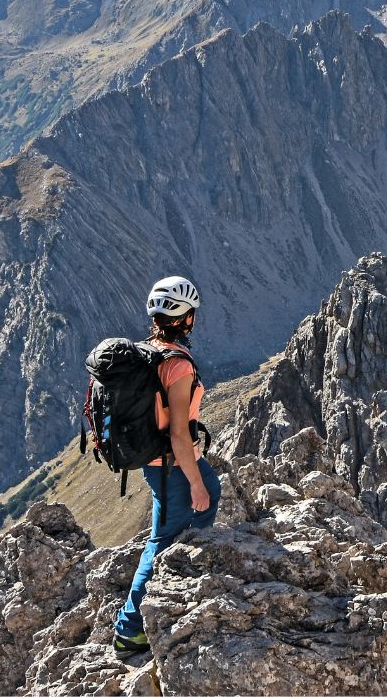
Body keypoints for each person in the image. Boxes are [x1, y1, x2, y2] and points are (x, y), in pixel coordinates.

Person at [112, 275, 222, 656]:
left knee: (166, 529)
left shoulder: (147, 352)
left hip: (154, 461)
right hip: (171, 463)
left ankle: (164, 594)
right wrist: (195, 481)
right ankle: (131, 630)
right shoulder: (177, 366)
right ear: (185, 318)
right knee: (163, 539)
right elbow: (179, 432)